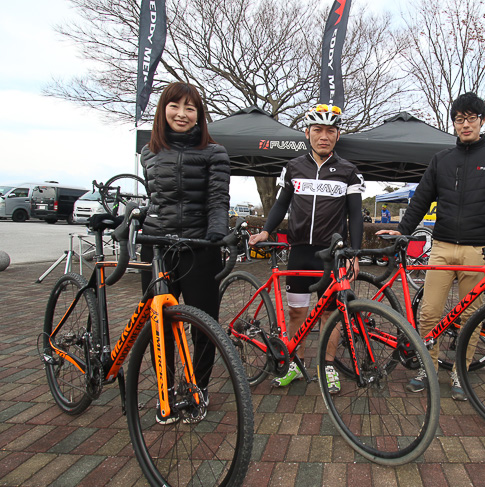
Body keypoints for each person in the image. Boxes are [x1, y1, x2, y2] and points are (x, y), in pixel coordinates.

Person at [376, 92, 485, 401]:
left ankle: (459, 372)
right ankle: (425, 369)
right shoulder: (442, 159)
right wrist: (403, 230)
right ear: (453, 123)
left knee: (469, 317)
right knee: (429, 314)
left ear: (482, 121)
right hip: (441, 247)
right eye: (459, 119)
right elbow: (420, 200)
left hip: (477, 251)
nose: (465, 124)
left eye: (471, 119)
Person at [249, 104, 365, 394]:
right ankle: (295, 366)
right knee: (297, 313)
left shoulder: (349, 172)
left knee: (329, 314)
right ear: (307, 133)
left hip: (331, 254)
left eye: (330, 131)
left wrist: (354, 254)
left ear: (337, 136)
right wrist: (266, 230)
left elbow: (355, 215)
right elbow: (280, 204)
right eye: (317, 130)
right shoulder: (293, 167)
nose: (323, 136)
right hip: (300, 250)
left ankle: (327, 367)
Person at [139, 82, 231, 424]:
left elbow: (218, 201)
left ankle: (198, 388)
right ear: (164, 110)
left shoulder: (215, 152)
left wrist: (216, 235)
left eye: (190, 108)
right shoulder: (148, 153)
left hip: (199, 248)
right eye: (175, 106)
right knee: (158, 323)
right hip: (156, 247)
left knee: (204, 325)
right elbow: (155, 201)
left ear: (199, 115)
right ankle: (165, 391)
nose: (182, 113)